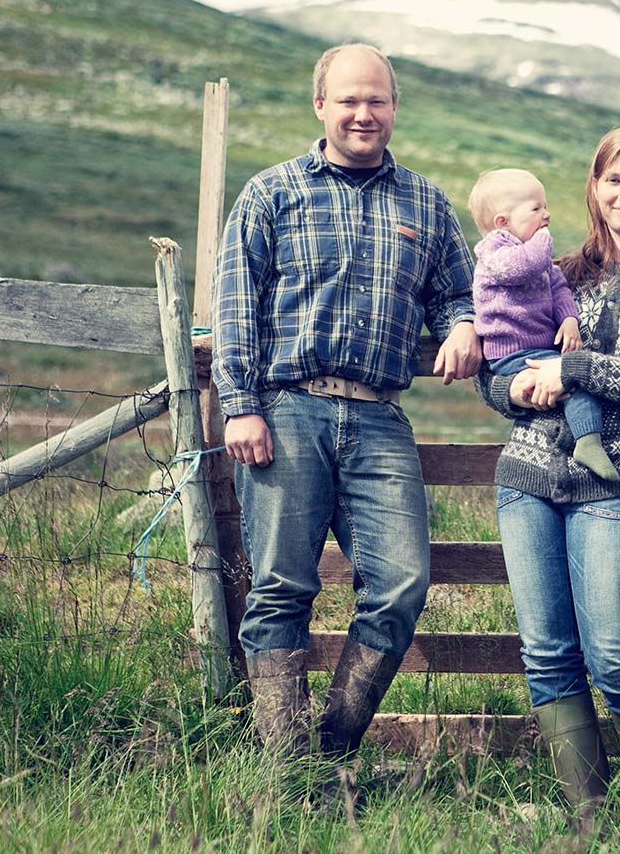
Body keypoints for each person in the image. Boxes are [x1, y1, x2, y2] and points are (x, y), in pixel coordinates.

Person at [212, 43, 481, 760]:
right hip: (287, 410)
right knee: (279, 591)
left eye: (378, 100)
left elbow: (458, 289)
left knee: (400, 585)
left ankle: (331, 751)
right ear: (321, 105)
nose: (364, 113)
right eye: (350, 100)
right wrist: (241, 403)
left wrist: (460, 325)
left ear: (394, 107)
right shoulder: (272, 193)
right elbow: (236, 305)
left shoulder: (425, 201)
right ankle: (287, 770)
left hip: (379, 416)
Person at [476, 125, 620, 813]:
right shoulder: (554, 270)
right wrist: (514, 388)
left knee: (614, 653)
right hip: (526, 476)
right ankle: (590, 815)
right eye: (612, 179)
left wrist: (574, 367)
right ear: (594, 187)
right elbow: (501, 355)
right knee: (548, 654)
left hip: (617, 481)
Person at [467, 168, 618, 481]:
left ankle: (583, 441)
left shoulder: (537, 259)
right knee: (575, 384)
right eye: (536, 209)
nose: (546, 215)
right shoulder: (496, 255)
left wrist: (569, 320)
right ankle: (588, 442)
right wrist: (543, 241)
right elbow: (521, 269)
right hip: (511, 352)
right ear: (502, 223)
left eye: (545, 206)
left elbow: (558, 287)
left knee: (568, 379)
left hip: (537, 348)